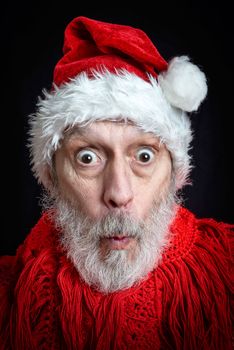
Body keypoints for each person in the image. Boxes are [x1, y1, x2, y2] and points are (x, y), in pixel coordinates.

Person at [0, 15, 232, 350]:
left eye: (144, 156)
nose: (119, 194)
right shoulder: (13, 296)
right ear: (52, 177)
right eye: (87, 158)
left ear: (174, 173)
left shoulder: (225, 272)